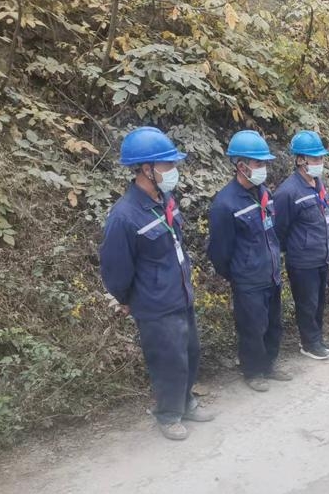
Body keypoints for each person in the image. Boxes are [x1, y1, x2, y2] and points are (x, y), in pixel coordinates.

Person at [100, 126, 214, 441]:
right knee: (167, 361)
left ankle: (186, 402)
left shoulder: (165, 199)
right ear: (146, 169)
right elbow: (115, 268)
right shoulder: (124, 216)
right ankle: (168, 414)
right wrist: (127, 298)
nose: (174, 169)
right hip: (154, 303)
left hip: (180, 294)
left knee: (190, 352)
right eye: (168, 164)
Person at [207, 130, 291, 393]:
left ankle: (269, 364)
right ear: (241, 166)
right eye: (258, 163)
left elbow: (273, 231)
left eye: (264, 163)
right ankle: (253, 371)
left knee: (273, 324)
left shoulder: (263, 193)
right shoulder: (225, 204)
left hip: (271, 273)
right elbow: (219, 250)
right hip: (247, 278)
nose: (263, 168)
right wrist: (238, 272)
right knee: (252, 327)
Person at [273, 130, 329, 360]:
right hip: (302, 260)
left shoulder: (318, 184)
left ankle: (316, 338)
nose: (320, 162)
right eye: (315, 158)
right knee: (307, 303)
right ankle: (309, 343)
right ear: (300, 160)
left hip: (322, 255)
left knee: (318, 302)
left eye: (321, 158)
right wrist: (294, 249)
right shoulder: (288, 192)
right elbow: (279, 229)